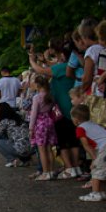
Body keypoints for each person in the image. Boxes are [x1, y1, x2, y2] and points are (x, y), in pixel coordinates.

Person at [28, 40, 81, 179]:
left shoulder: (61, 67)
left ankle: (69, 168)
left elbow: (40, 71)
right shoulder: (72, 67)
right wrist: (44, 59)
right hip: (75, 107)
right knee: (74, 140)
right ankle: (76, 167)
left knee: (63, 143)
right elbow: (51, 67)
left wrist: (31, 60)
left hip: (62, 110)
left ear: (63, 56)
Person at [70, 104, 106, 201]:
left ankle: (95, 193)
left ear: (76, 119)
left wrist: (94, 159)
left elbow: (86, 145)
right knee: (103, 172)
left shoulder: (80, 128)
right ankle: (101, 192)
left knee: (96, 170)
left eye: (72, 117)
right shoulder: (92, 124)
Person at [29, 75, 58, 181]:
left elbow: (34, 113)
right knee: (49, 149)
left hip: (40, 123)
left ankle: (45, 172)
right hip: (49, 121)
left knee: (42, 149)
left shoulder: (37, 97)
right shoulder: (50, 95)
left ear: (37, 85)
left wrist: (31, 128)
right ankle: (51, 171)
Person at [0, 102, 31, 167]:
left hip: (20, 149)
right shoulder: (18, 118)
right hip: (30, 148)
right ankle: (25, 160)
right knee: (16, 139)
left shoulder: (4, 121)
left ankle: (12, 160)